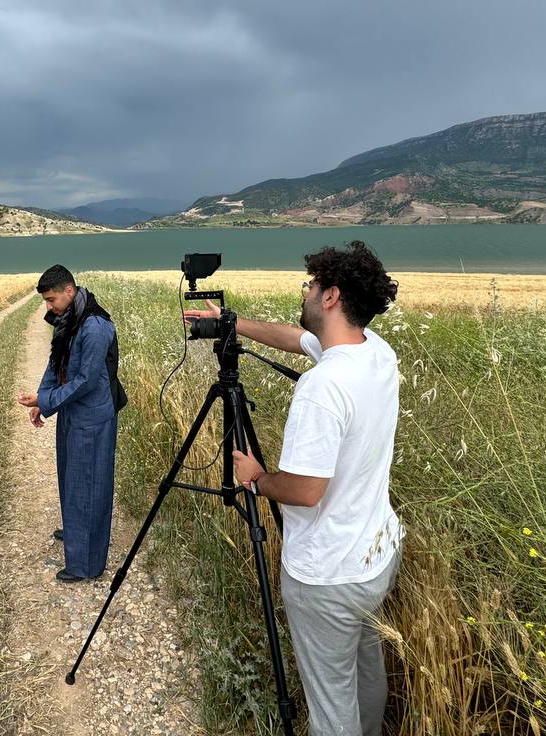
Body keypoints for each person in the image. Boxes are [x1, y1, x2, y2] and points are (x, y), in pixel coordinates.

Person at [184, 241, 402, 736]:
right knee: (365, 672)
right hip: (376, 554)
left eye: (311, 284)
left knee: (330, 704)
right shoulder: (375, 353)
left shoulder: (323, 387)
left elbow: (306, 490)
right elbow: (295, 339)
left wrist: (257, 480)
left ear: (330, 296)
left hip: (327, 575)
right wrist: (231, 324)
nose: (305, 291)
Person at [17, 265, 124, 583]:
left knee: (91, 485)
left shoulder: (95, 326)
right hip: (71, 413)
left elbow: (86, 381)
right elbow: (56, 362)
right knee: (72, 478)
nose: (49, 308)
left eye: (51, 300)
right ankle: (78, 531)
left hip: (91, 417)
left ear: (69, 291)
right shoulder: (69, 318)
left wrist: (45, 401)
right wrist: (44, 398)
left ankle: (86, 565)